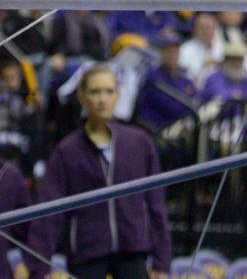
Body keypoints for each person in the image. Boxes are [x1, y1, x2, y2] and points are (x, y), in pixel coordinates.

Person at [28, 64, 171, 279]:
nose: (102, 99)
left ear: (118, 95)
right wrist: (39, 267)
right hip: (87, 252)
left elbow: (156, 203)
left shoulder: (140, 143)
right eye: (95, 92)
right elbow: (49, 210)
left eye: (109, 91)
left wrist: (162, 261)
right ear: (81, 97)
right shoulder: (67, 150)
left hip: (132, 250)